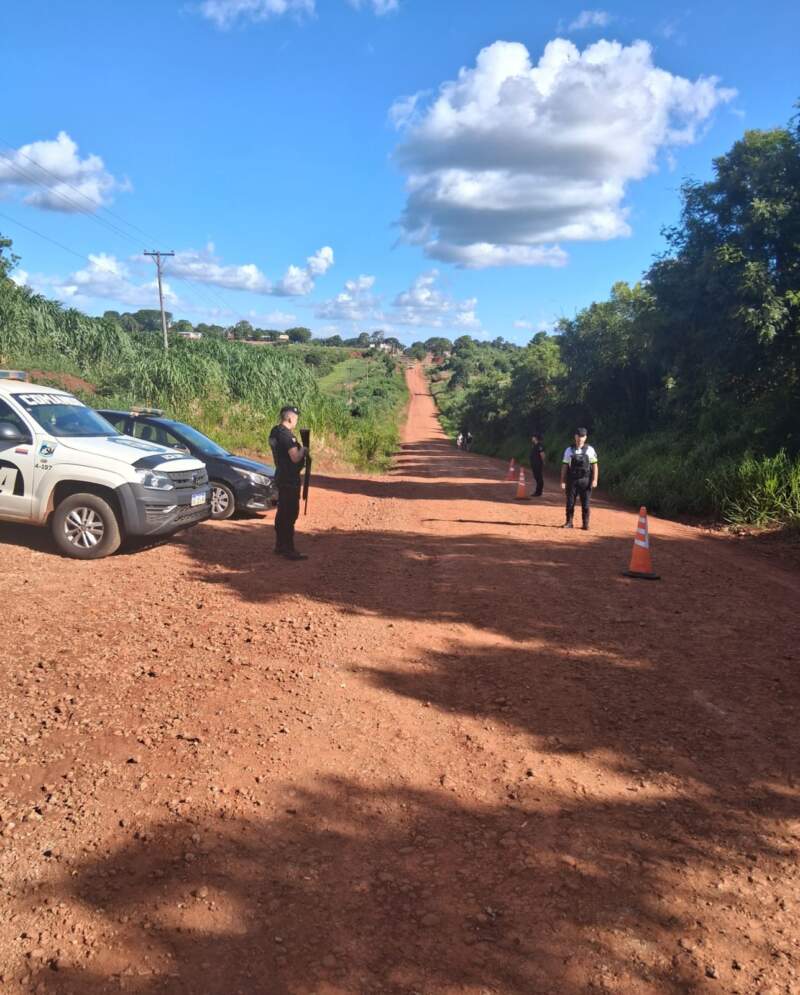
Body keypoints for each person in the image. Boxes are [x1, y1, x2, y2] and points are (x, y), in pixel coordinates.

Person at [268, 405, 308, 560]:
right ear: (290, 418)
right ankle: (288, 549)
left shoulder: (275, 432)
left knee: (282, 512)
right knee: (290, 514)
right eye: (296, 418)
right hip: (289, 478)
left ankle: (280, 545)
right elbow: (295, 457)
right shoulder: (286, 436)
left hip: (281, 475)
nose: (296, 421)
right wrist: (304, 450)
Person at [560, 427, 598, 530]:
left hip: (585, 480)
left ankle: (585, 524)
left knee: (585, 503)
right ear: (575, 436)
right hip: (572, 480)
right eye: (578, 436)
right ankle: (569, 522)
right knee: (570, 502)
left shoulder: (590, 450)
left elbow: (595, 465)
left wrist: (595, 480)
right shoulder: (569, 450)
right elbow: (564, 466)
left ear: (585, 437)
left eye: (582, 436)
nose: (580, 438)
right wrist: (562, 480)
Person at [530, 431, 546, 497]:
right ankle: (538, 491)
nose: (532, 438)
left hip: (538, 464)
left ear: (535, 438)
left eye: (533, 437)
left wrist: (543, 461)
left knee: (539, 478)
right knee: (536, 477)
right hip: (534, 464)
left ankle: (538, 492)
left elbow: (542, 454)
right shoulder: (535, 445)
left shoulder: (539, 445)